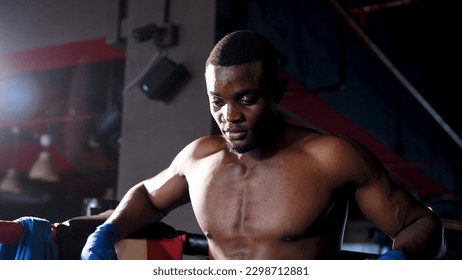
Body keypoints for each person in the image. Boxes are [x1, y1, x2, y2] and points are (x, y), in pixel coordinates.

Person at [81, 30, 445, 260]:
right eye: (217, 102)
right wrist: (108, 229)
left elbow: (420, 224)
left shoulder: (332, 157)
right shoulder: (198, 158)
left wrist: (400, 261)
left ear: (278, 93)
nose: (229, 116)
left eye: (246, 99)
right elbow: (147, 194)